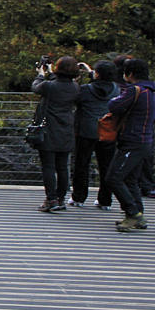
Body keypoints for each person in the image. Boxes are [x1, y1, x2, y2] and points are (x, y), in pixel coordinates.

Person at [105, 57, 155, 233]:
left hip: (132, 141)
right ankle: (137, 215)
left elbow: (114, 105)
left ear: (130, 74)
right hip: (144, 141)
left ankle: (133, 213)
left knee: (113, 178)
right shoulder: (149, 90)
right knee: (130, 180)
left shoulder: (134, 90)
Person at [31, 55, 81, 213]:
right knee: (62, 166)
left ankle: (50, 198)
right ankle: (60, 199)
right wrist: (51, 72)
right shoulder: (75, 87)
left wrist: (40, 73)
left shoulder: (49, 86)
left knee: (48, 166)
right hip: (66, 129)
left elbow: (36, 87)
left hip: (48, 129)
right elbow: (59, 83)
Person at [73, 60, 120, 208]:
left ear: (97, 74)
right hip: (107, 131)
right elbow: (101, 86)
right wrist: (91, 73)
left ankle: (78, 197)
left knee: (81, 164)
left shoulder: (85, 89)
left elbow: (77, 100)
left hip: (86, 130)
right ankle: (105, 200)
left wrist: (79, 79)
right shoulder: (116, 89)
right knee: (106, 166)